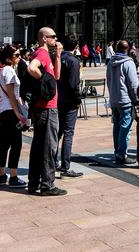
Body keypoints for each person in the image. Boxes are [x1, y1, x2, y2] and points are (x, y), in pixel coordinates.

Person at [26, 27, 66, 196]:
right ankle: (47, 185)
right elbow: (31, 68)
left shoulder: (46, 54)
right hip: (47, 108)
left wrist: (57, 54)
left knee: (38, 146)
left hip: (43, 108)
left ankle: (34, 182)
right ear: (43, 38)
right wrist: (44, 81)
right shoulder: (41, 53)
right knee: (49, 147)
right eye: (52, 37)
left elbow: (56, 76)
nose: (55, 39)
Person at [0, 45, 28, 187]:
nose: (19, 56)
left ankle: (2, 175)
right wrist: (18, 113)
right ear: (9, 58)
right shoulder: (8, 71)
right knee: (16, 143)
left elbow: (13, 94)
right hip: (9, 111)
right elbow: (11, 94)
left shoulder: (4, 70)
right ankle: (13, 176)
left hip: (4, 109)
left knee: (4, 142)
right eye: (16, 55)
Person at [107, 39, 139, 165]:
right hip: (126, 100)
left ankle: (118, 151)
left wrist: (112, 95)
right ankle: (121, 154)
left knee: (117, 126)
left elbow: (108, 80)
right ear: (128, 49)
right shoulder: (128, 63)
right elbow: (133, 84)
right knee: (126, 128)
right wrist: (136, 99)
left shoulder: (111, 62)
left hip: (114, 98)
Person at [57, 36, 83, 178]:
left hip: (58, 100)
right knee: (68, 133)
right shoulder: (73, 61)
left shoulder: (58, 58)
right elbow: (74, 84)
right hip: (69, 102)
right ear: (76, 46)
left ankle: (54, 162)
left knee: (58, 133)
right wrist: (78, 99)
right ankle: (65, 167)